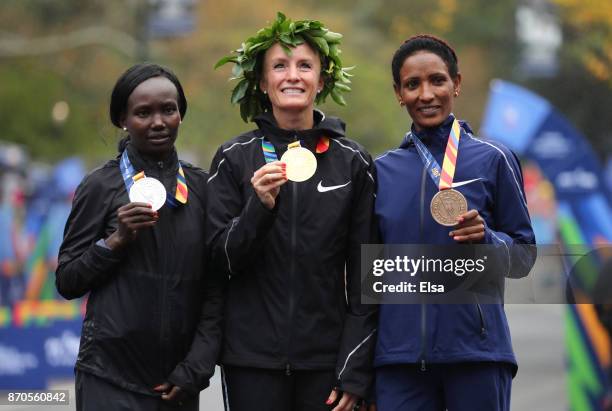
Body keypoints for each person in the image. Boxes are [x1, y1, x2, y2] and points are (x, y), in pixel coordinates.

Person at [209, 12, 378, 411]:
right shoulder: (233, 158)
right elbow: (219, 260)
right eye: (280, 66)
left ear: (322, 80)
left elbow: (367, 275)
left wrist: (354, 368)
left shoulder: (353, 161)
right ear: (263, 82)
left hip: (326, 361)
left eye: (305, 66)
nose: (293, 75)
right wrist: (258, 209)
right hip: (252, 361)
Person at [372, 35, 536, 411]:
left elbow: (524, 257)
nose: (425, 94)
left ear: (456, 84)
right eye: (412, 84)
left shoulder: (494, 159)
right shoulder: (380, 171)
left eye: (437, 80)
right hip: (400, 364)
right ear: (398, 92)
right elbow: (371, 273)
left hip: (476, 355)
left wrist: (488, 240)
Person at [56, 63, 222, 411]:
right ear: (123, 120)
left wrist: (197, 368)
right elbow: (68, 280)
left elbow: (216, 289)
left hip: (177, 385)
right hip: (108, 378)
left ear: (181, 115)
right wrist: (115, 241)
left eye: (168, 110)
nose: (158, 122)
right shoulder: (100, 186)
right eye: (143, 113)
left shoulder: (205, 188)